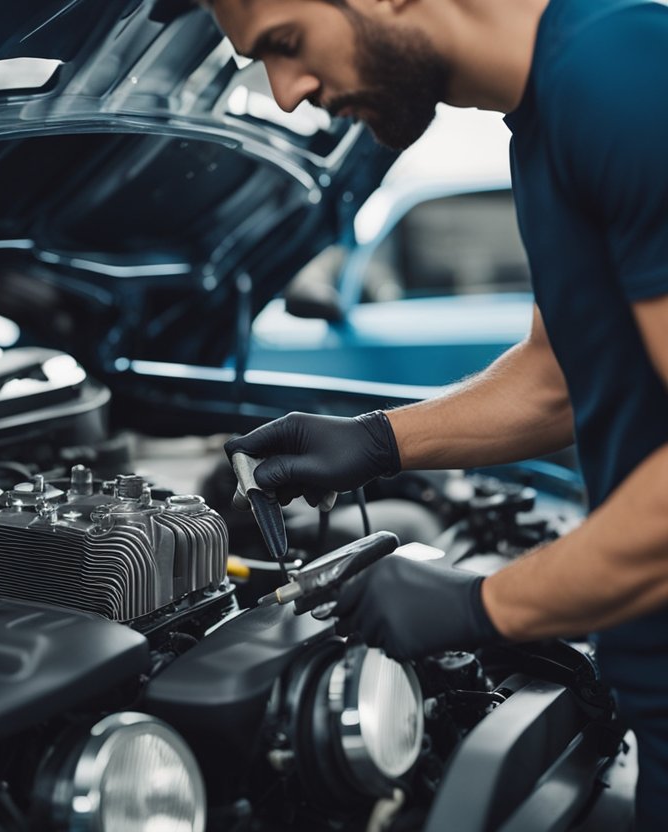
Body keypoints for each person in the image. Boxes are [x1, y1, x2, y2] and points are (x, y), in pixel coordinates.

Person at [204, 0, 668, 825]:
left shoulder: (622, 80)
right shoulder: (552, 111)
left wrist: (480, 606)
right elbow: (556, 378)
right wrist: (378, 442)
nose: (284, 94)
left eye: (286, 42)